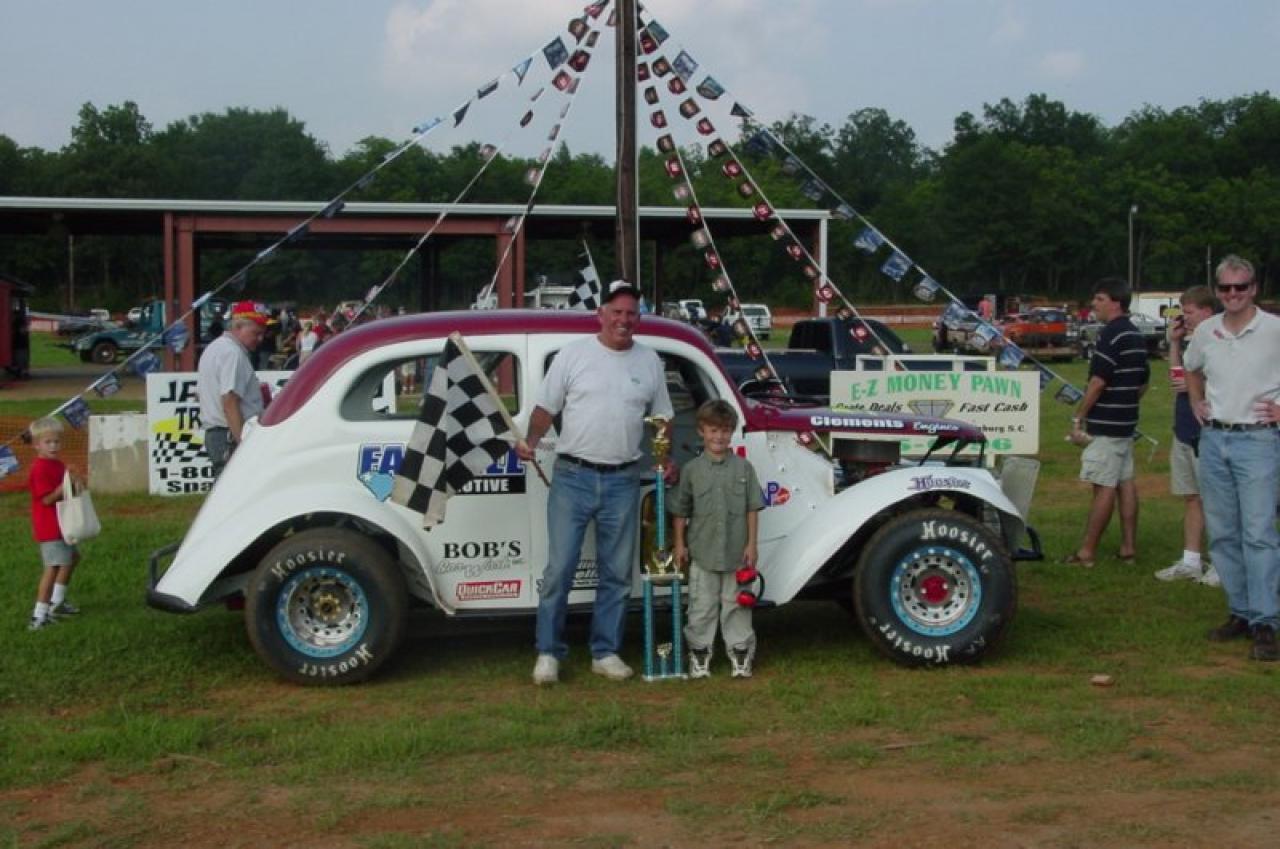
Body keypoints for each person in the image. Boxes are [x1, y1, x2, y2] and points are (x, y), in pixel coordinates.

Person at [516, 280, 675, 685]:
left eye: (631, 313)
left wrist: (664, 459)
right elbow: (544, 408)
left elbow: (662, 420)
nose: (624, 320)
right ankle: (548, 653)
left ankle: (605, 652)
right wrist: (530, 442)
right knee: (559, 571)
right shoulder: (573, 355)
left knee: (618, 574)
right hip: (572, 476)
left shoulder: (650, 361)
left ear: (638, 318)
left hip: (623, 479)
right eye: (617, 312)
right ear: (601, 314)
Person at [1184, 255, 1280, 662]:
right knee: (1223, 533)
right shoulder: (1206, 330)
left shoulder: (1274, 329)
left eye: (1241, 287)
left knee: (1258, 533)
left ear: (1254, 288)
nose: (1233, 294)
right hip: (1215, 439)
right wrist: (1195, 402)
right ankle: (1240, 612)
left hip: (1258, 440)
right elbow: (1190, 368)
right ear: (1218, 290)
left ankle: (1266, 622)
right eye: (1225, 288)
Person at [669, 400, 764, 678]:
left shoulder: (744, 469)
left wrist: (752, 545)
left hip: (737, 554)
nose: (718, 437)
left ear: (732, 431)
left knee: (737, 606)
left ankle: (740, 654)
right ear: (701, 431)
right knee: (701, 606)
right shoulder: (692, 470)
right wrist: (679, 543)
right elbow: (681, 511)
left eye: (724, 430)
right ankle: (699, 655)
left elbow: (752, 508)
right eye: (712, 430)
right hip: (703, 553)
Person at [1063, 278, 1150, 567]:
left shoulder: (1111, 335)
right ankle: (1128, 549)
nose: (1094, 304)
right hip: (1126, 423)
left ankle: (1086, 552)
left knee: (1103, 486)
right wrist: (1125, 402)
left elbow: (1098, 381)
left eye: (1099, 299)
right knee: (1125, 483)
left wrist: (1079, 416)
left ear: (1115, 302)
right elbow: (1143, 382)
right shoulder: (1135, 335)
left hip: (1106, 424)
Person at [1155, 287, 1220, 586]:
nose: (1186, 318)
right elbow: (1175, 379)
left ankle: (1221, 563)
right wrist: (1174, 343)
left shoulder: (1219, 341)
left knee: (1217, 500)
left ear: (1207, 312)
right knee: (1191, 496)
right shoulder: (1190, 342)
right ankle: (1191, 559)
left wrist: (1198, 387)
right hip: (1183, 427)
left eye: (1190, 312)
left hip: (1207, 430)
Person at [198, 300, 268, 477]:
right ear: (237, 327)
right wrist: (242, 442)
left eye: (262, 334)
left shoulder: (215, 348)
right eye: (256, 333)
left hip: (219, 433)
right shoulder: (233, 353)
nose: (260, 339)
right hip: (230, 434)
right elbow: (230, 401)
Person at [26, 417, 84, 630]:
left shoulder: (58, 465)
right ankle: (39, 614)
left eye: (57, 442)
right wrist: (64, 485)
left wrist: (76, 480)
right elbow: (47, 499)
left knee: (72, 558)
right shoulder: (40, 469)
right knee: (53, 566)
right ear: (36, 445)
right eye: (48, 442)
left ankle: (56, 602)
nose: (53, 446)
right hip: (50, 526)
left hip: (63, 523)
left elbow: (70, 491)